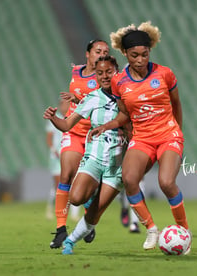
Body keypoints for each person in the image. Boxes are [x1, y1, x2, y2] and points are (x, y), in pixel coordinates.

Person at [89, 21, 191, 252]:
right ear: (125, 53)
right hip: (142, 138)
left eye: (145, 54)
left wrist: (178, 134)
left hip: (168, 135)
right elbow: (124, 114)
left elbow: (176, 104)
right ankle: (151, 229)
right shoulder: (119, 81)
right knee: (129, 179)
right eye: (134, 55)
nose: (140, 60)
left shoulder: (164, 74)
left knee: (166, 182)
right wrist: (107, 125)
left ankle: (184, 230)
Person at [44, 55, 127, 255]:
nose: (105, 76)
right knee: (76, 198)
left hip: (117, 165)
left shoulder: (128, 95)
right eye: (100, 73)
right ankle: (95, 191)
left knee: (95, 214)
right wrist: (54, 118)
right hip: (95, 158)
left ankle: (70, 241)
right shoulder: (92, 98)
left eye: (109, 71)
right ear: (96, 76)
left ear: (117, 72)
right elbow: (66, 124)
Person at [48, 39, 109, 249]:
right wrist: (73, 101)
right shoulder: (76, 72)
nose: (101, 54)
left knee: (88, 186)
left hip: (94, 136)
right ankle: (60, 230)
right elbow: (80, 100)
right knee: (66, 176)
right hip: (74, 132)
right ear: (88, 54)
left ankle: (87, 224)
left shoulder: (106, 76)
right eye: (98, 51)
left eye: (105, 51)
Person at [45, 99, 80, 220]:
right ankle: (51, 207)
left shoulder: (73, 117)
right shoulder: (55, 118)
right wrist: (53, 150)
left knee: (74, 183)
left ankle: (73, 214)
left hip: (70, 154)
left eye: (67, 104)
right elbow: (49, 137)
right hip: (57, 156)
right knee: (59, 184)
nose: (64, 106)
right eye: (63, 104)